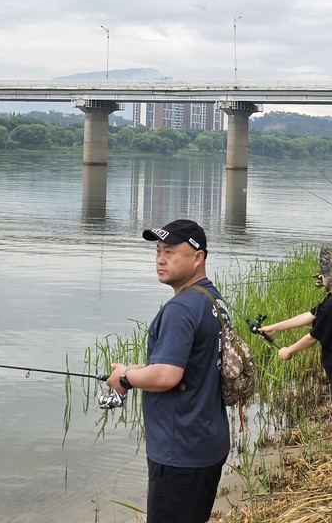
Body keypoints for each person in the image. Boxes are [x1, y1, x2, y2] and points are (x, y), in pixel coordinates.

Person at [106, 219, 229, 523]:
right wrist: (135, 369)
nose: (160, 259)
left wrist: (125, 378)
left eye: (170, 252)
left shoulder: (180, 309)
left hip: (180, 451)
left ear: (198, 257)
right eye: (158, 251)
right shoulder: (212, 299)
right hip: (208, 442)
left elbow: (167, 376)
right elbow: (191, 365)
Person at [266, 247, 332, 486]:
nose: (321, 275)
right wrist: (275, 327)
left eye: (325, 272)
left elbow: (313, 336)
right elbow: (311, 315)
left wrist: (288, 350)